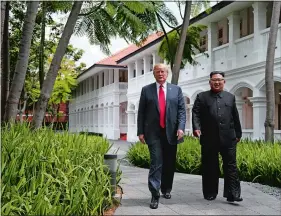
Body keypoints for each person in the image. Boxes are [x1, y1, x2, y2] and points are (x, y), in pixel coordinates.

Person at [137, 63, 186, 209]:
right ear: (154, 74)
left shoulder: (176, 90)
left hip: (171, 133)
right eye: (158, 72)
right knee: (156, 163)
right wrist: (140, 132)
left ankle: (166, 189)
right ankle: (154, 194)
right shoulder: (146, 90)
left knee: (169, 163)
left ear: (167, 73)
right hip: (153, 133)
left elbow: (182, 111)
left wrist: (181, 128)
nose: (160, 74)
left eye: (163, 71)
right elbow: (141, 113)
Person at [192, 71, 243, 202]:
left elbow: (235, 116)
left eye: (220, 80)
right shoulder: (201, 97)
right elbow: (196, 113)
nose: (217, 82)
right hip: (209, 138)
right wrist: (196, 128)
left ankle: (233, 194)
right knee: (210, 166)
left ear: (224, 82)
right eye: (214, 80)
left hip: (228, 137)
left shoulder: (230, 97)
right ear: (210, 82)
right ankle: (210, 193)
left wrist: (238, 133)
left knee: (231, 165)